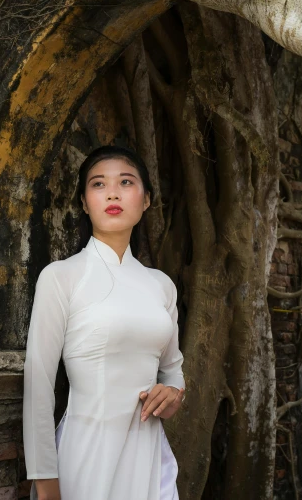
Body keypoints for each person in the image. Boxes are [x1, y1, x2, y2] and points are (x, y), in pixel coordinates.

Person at [23, 145, 187, 500]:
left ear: (145, 200)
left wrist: (172, 395)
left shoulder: (161, 285)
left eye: (126, 182)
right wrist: (46, 482)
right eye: (99, 184)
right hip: (86, 459)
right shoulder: (62, 277)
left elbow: (173, 370)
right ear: (84, 202)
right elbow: (38, 384)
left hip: (149, 459)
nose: (113, 192)